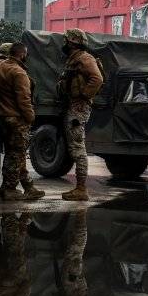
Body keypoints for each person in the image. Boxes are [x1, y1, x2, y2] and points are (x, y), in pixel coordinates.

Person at [0, 41, 44, 201]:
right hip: (16, 118)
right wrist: (30, 117)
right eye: (25, 54)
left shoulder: (0, 68)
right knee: (15, 154)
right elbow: (24, 100)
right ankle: (9, 188)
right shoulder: (19, 72)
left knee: (15, 153)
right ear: (21, 54)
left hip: (2, 116)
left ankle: (28, 187)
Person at [56, 28, 104, 201]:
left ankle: (81, 188)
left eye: (67, 40)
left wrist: (83, 94)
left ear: (72, 42)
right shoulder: (74, 59)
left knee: (77, 146)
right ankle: (80, 187)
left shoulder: (84, 58)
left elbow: (97, 79)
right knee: (75, 145)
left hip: (79, 107)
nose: (65, 43)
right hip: (73, 105)